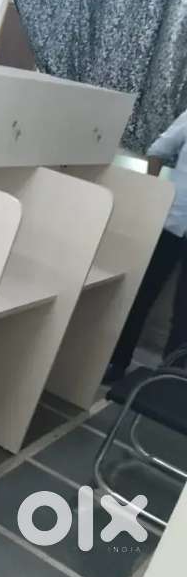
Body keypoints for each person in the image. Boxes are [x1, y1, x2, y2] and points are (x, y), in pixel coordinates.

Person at [106, 110, 187, 384]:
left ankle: (168, 379)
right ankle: (117, 362)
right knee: (141, 296)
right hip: (170, 220)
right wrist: (153, 194)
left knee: (184, 312)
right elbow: (158, 151)